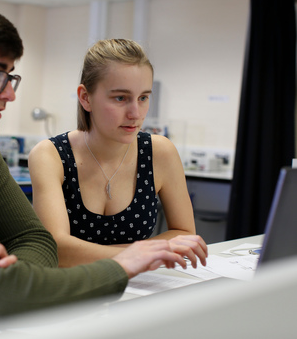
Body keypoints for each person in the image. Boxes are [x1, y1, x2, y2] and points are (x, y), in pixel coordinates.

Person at [0, 0, 208, 322]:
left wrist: (6, 276)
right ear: (86, 98)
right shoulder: (50, 154)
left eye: (10, 76)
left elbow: (34, 240)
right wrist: (123, 264)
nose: (10, 94)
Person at [28, 39, 207, 268]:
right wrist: (145, 252)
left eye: (143, 98)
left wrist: (136, 254)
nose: (135, 113)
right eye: (120, 98)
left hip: (137, 290)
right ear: (85, 97)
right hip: (72, 293)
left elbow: (183, 233)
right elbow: (57, 250)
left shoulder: (160, 152)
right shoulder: (50, 156)